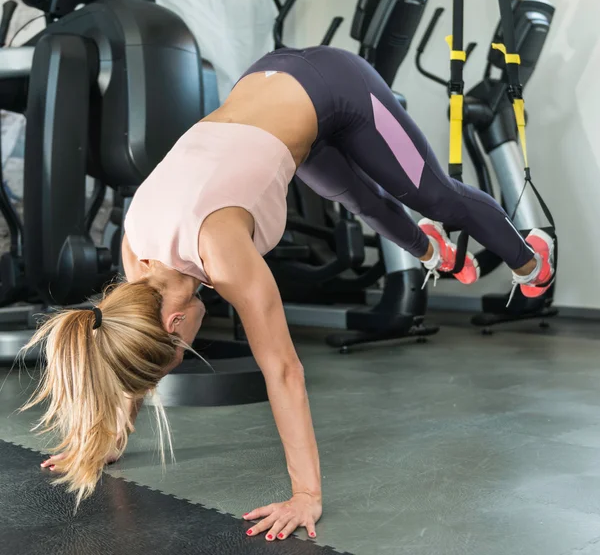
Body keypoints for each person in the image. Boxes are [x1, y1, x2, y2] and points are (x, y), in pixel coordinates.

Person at [27, 46, 554, 540]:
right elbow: (127, 345)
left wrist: (306, 495)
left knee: (435, 193)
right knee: (360, 201)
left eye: (181, 351)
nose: (191, 346)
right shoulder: (136, 258)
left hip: (334, 84)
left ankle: (532, 259)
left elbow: (284, 370)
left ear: (174, 324)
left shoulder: (222, 250)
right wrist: (106, 442)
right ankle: (430, 249)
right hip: (270, 95)